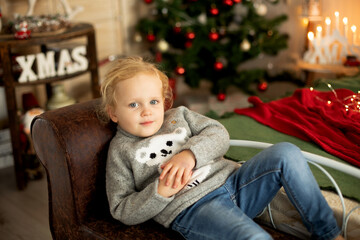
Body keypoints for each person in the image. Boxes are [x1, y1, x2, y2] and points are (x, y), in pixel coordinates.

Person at [99, 56, 343, 240]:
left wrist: (189, 155)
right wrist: (159, 191)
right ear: (113, 113)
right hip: (194, 208)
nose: (147, 111)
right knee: (257, 238)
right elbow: (121, 209)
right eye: (133, 104)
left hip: (235, 183)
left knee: (286, 152)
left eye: (153, 101)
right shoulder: (121, 151)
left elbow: (219, 134)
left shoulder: (179, 116)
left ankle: (329, 233)